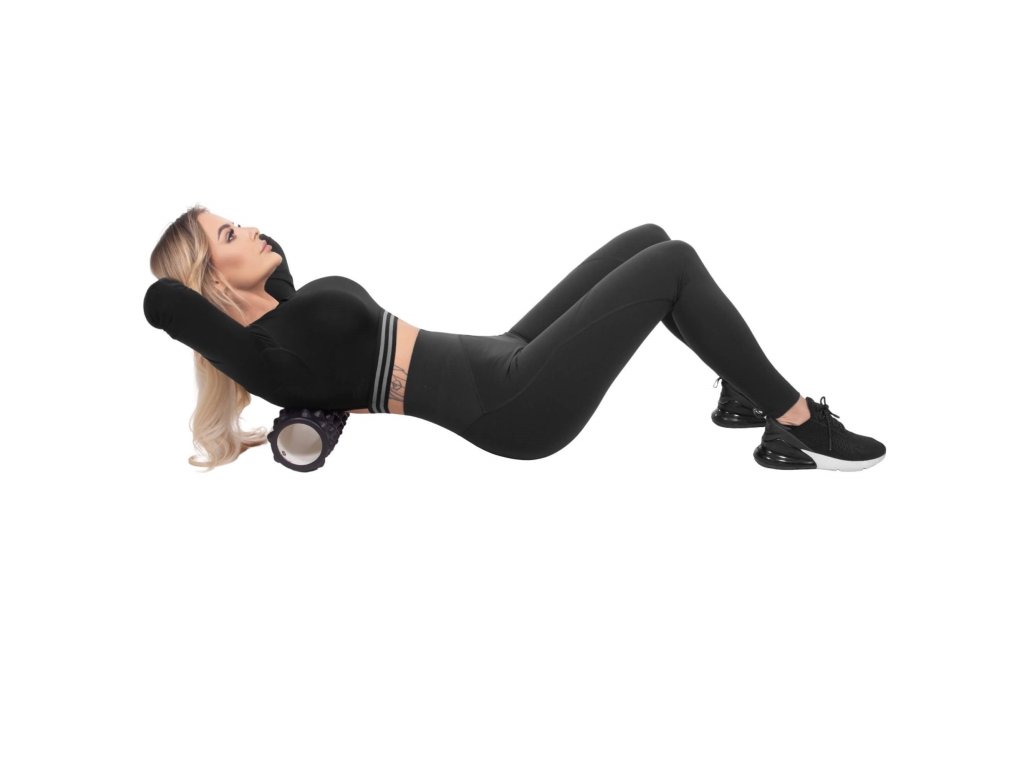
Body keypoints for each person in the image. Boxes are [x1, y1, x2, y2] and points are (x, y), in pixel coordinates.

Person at [144, 205, 886, 472]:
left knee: (649, 239)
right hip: (511, 405)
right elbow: (162, 301)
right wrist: (185, 285)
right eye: (229, 234)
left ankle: (741, 395)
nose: (252, 227)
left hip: (502, 352)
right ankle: (797, 424)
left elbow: (289, 301)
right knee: (676, 264)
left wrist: (242, 261)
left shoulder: (284, 309)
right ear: (208, 279)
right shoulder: (268, 358)